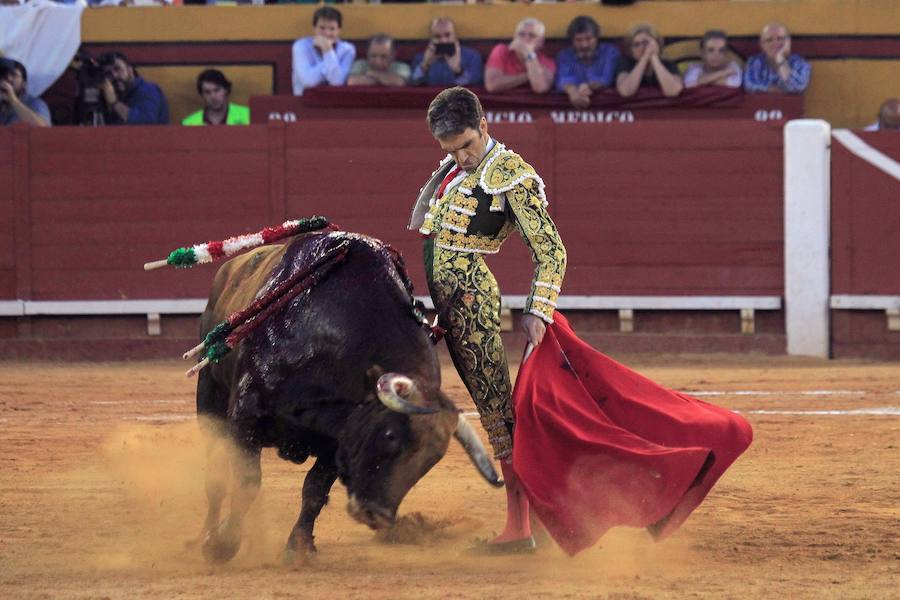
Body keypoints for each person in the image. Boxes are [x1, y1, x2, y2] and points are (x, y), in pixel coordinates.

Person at [408, 87, 566, 553]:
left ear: (485, 126)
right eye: (450, 150)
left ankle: (522, 528)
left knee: (498, 413)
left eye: (467, 146)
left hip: (473, 302)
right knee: (496, 409)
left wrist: (539, 311)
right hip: (450, 302)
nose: (461, 157)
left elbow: (551, 251)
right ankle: (528, 521)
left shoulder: (510, 174)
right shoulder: (457, 169)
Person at [555, 15, 621, 109]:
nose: (584, 45)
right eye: (578, 40)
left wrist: (588, 87)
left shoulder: (610, 52)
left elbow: (606, 79)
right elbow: (563, 80)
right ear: (572, 41)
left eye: (588, 39)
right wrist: (573, 92)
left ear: (597, 37)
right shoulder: (564, 55)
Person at [291, 6, 355, 96]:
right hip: (304, 101)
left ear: (339, 30)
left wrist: (327, 50)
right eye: (322, 28)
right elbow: (308, 82)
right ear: (314, 28)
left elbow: (336, 82)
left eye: (332, 29)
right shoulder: (300, 46)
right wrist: (330, 59)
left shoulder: (348, 49)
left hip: (334, 100)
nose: (327, 33)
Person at [484, 18, 555, 95]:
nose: (526, 38)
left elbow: (540, 88)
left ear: (541, 42)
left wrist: (528, 53)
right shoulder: (501, 50)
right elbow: (492, 85)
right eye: (521, 34)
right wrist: (528, 75)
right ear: (515, 38)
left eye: (532, 35)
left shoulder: (547, 62)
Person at [98, 52, 169, 125]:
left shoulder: (148, 90)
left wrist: (115, 103)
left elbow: (146, 123)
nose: (114, 76)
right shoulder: (120, 96)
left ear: (130, 70)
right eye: (108, 73)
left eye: (117, 69)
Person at [615, 23, 683, 98]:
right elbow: (626, 91)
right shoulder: (625, 63)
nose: (641, 47)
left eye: (645, 43)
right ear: (631, 50)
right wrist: (644, 58)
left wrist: (654, 57)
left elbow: (673, 91)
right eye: (636, 45)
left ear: (657, 44)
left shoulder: (668, 64)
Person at [410, 17, 484, 87]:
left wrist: (458, 71)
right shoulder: (420, 59)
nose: (443, 40)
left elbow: (474, 85)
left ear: (455, 35)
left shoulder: (472, 57)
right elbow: (413, 84)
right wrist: (425, 65)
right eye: (437, 36)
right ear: (431, 38)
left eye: (447, 35)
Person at [743, 23, 811, 94]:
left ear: (788, 42)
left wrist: (780, 59)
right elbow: (749, 86)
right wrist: (772, 90)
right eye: (769, 40)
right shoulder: (754, 61)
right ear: (761, 45)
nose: (775, 43)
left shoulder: (801, 63)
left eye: (780, 38)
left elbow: (799, 86)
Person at [182, 69, 250, 126]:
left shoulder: (248, 116)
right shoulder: (189, 124)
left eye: (217, 90)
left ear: (226, 90)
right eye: (207, 92)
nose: (213, 96)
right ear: (202, 95)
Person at [0, 58, 50, 127]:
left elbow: (44, 129)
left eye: (14, 74)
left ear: (24, 83)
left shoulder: (35, 104)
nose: (8, 78)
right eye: (3, 74)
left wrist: (13, 100)